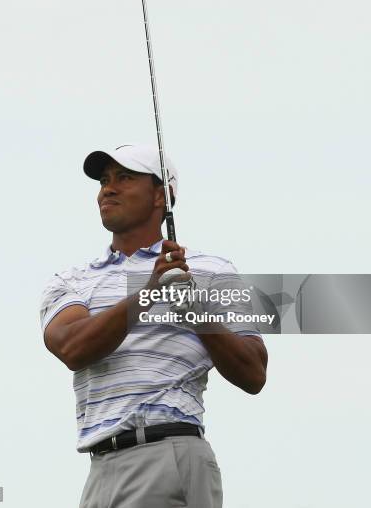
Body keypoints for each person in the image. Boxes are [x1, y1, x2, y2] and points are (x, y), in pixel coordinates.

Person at [40, 143, 268, 508]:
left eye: (125, 178)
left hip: (167, 452)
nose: (108, 189)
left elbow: (254, 372)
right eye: (104, 180)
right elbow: (72, 348)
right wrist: (149, 294)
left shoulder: (214, 271)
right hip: (99, 466)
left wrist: (194, 308)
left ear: (161, 196)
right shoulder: (73, 280)